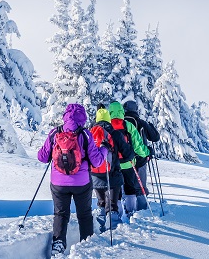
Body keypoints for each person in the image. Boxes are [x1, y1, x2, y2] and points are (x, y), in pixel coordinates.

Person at [38, 103, 107, 256]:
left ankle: (58, 244)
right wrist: (104, 148)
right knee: (84, 214)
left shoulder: (55, 132)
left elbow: (42, 157)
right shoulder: (85, 134)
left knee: (61, 214)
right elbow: (96, 161)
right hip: (81, 183)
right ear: (83, 118)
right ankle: (86, 244)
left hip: (58, 183)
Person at [90, 106, 134, 231]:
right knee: (113, 205)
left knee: (101, 203)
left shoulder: (90, 133)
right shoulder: (115, 133)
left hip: (95, 176)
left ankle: (99, 228)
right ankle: (114, 231)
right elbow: (127, 153)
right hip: (113, 176)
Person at [108, 101, 150, 216]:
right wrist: (146, 153)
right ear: (122, 111)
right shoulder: (128, 125)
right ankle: (131, 211)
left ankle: (118, 212)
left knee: (116, 190)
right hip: (129, 163)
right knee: (130, 187)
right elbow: (138, 146)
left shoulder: (107, 126)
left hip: (113, 164)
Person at [123, 100, 160, 196]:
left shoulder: (121, 123)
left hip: (124, 159)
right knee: (140, 187)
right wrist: (151, 126)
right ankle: (141, 207)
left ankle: (126, 207)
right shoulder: (140, 122)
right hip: (140, 158)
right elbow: (155, 137)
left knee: (126, 186)